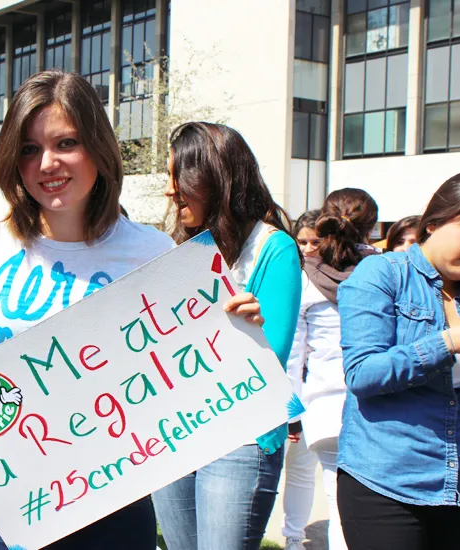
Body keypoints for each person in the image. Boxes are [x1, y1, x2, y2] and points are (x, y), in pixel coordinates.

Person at [0, 72, 264, 550]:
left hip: (111, 503)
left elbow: (191, 385)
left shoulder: (152, 250)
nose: (47, 163)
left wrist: (236, 336)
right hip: (0, 505)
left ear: (98, 150)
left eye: (66, 143)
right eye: (28, 149)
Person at [153, 122, 303, 550]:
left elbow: (271, 358)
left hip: (242, 437)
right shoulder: (180, 249)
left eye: (177, 178)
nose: (169, 191)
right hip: (176, 434)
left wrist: (250, 328)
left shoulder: (274, 249)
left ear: (213, 179)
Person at [337, 174, 460, 550]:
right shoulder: (383, 273)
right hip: (387, 482)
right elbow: (362, 373)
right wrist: (448, 342)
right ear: (434, 222)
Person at [284, 189, 379, 550]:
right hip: (378, 403)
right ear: (371, 226)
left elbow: (294, 354)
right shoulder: (386, 270)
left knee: (339, 505)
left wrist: (291, 414)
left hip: (326, 405)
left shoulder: (305, 275)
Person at [279, 208, 322, 550]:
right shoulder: (293, 278)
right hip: (289, 395)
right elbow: (292, 351)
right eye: (302, 241)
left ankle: (294, 538)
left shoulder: (343, 280)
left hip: (318, 393)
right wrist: (291, 411)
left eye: (315, 242)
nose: (308, 248)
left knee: (303, 472)